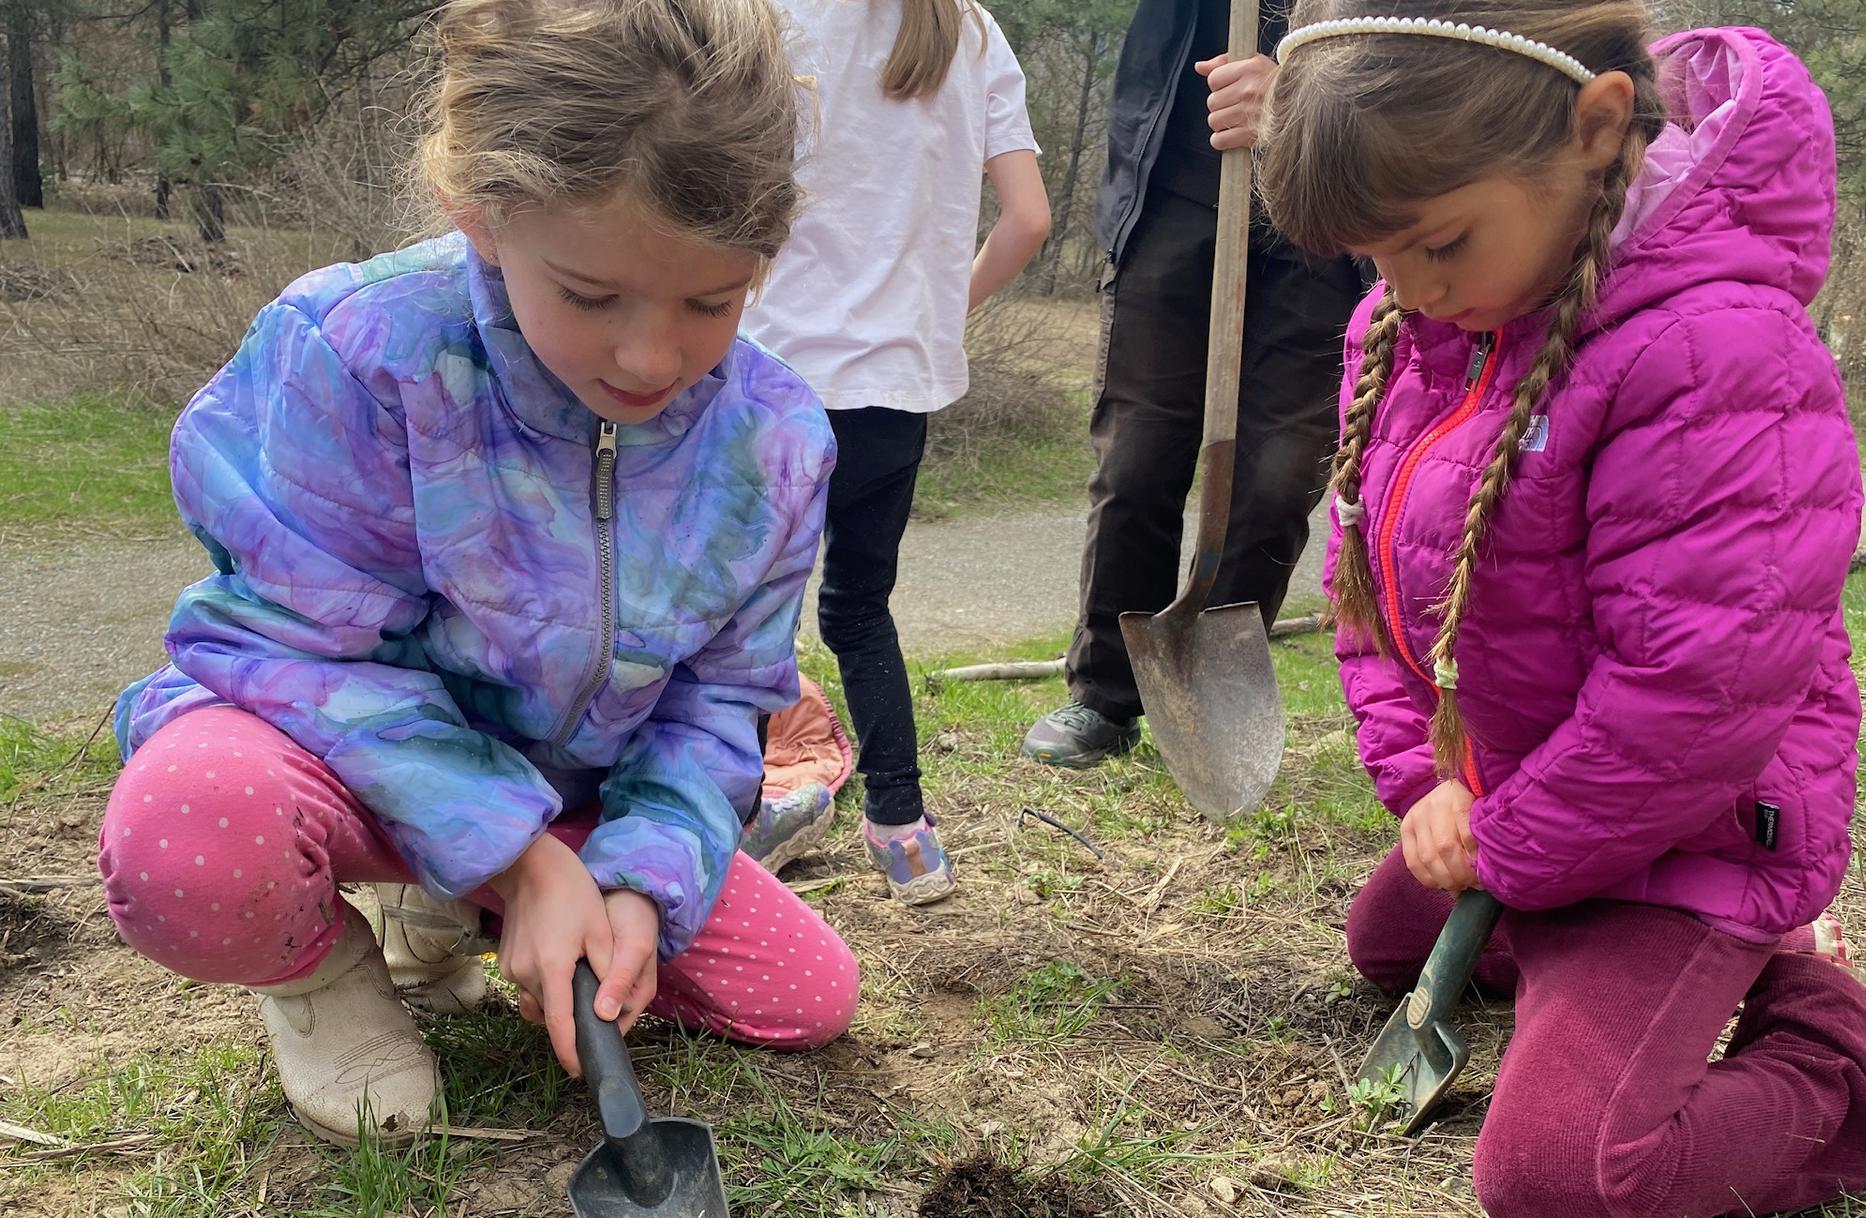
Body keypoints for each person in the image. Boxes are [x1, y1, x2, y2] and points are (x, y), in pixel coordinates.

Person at [95, 0, 860, 1148]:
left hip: (578, 799)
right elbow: (289, 646)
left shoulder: (776, 442)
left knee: (808, 1000)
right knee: (191, 840)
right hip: (347, 770)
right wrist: (514, 854)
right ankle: (323, 973)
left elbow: (718, 705)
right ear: (478, 214)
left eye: (712, 300)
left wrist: (635, 883)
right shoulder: (358, 354)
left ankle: (458, 905)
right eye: (593, 297)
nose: (652, 356)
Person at [1256, 0, 1866, 1218]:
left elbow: (1690, 706)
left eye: (1438, 243)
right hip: (1537, 808)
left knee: (1563, 1173)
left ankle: (1843, 1056)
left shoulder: (1720, 353)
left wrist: (1508, 847)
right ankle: (1595, 959)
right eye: (1374, 258)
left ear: (1596, 128)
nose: (1405, 288)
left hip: (1693, 825)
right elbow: (1375, 606)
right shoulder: (1416, 329)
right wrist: (1426, 786)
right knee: (1383, 945)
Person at [742, 0, 1049, 903]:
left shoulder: (767, 17)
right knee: (858, 608)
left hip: (768, 373)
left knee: (744, 615)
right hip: (895, 389)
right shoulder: (974, 30)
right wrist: (932, 317)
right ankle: (905, 836)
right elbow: (1027, 218)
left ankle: (728, 817)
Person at [1020, 0, 1364, 769]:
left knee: (1277, 483)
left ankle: (1212, 702)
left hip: (1329, 211)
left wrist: (1302, 93)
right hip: (1176, 186)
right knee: (1139, 457)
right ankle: (1105, 696)